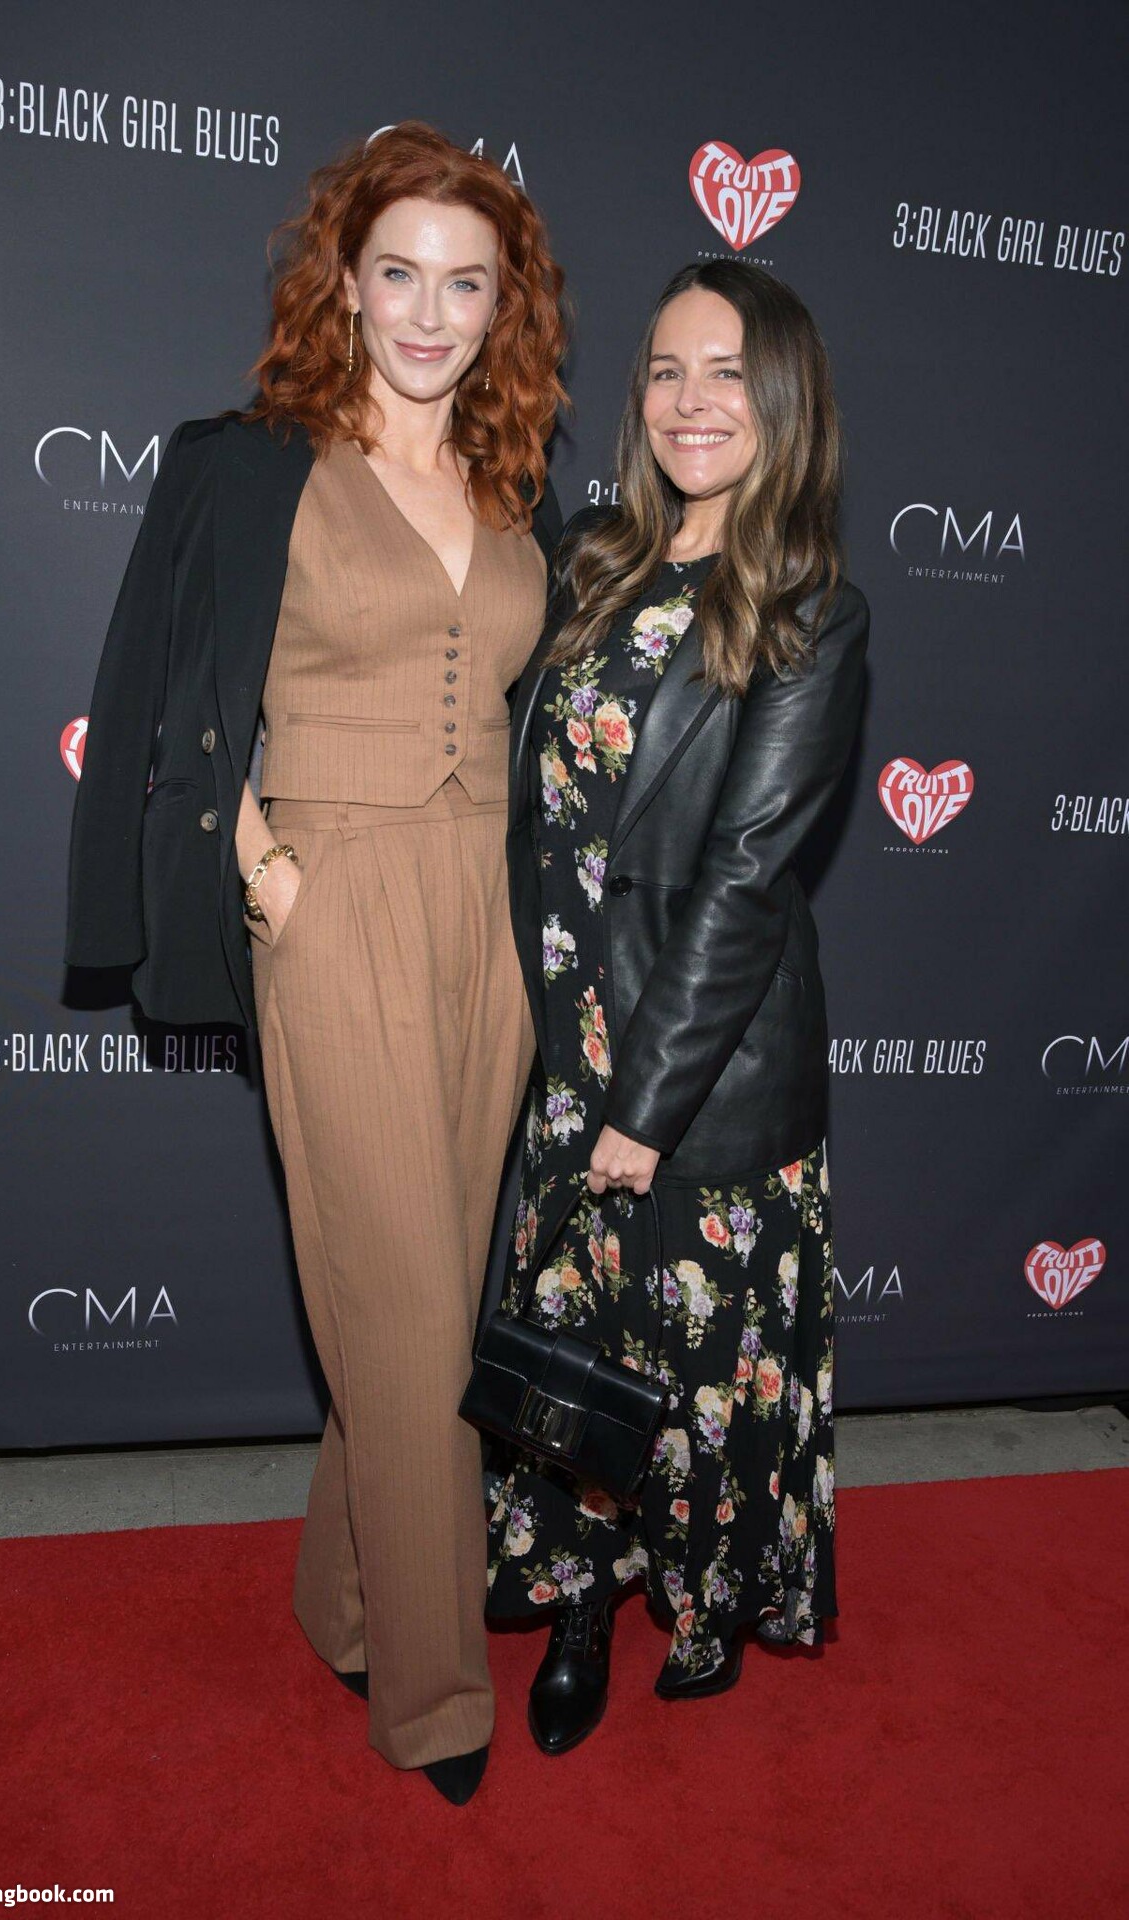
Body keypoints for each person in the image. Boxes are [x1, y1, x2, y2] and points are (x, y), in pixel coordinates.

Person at [64, 122, 567, 1803]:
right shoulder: (248, 465)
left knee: (412, 1300)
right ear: (343, 285)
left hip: (487, 918)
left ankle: (339, 1594)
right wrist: (260, 870)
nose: (429, 312)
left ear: (502, 309)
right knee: (411, 1315)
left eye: (465, 285)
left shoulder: (512, 484)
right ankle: (432, 1697)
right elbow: (158, 696)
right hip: (332, 897)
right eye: (398, 274)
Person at [485, 259, 868, 1756]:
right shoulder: (591, 561)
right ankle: (580, 1593)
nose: (689, 402)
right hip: (561, 1041)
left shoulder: (808, 611)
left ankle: (695, 1600)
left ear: (782, 401)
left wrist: (640, 1110)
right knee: (579, 1349)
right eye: (663, 370)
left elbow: (746, 880)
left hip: (693, 1070)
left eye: (725, 373)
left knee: (688, 1363)